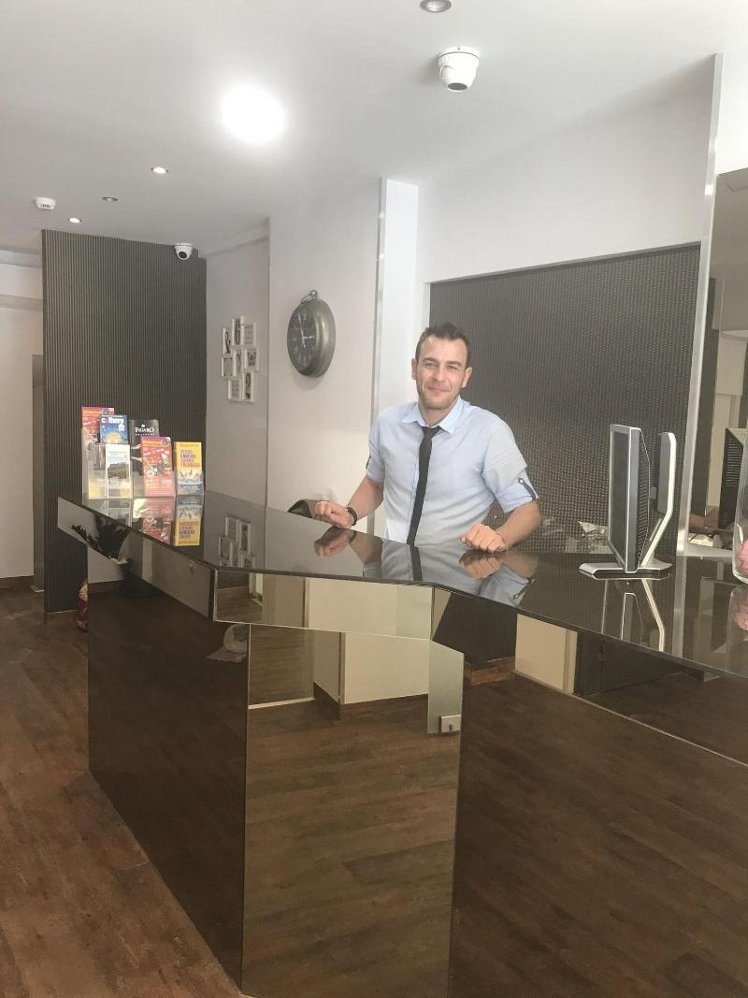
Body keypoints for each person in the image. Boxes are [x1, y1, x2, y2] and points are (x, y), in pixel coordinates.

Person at [314, 322, 540, 552]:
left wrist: (499, 537)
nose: (439, 377)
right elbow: (375, 483)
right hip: (391, 565)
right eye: (430, 364)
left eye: (452, 367)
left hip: (454, 570)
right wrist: (350, 513)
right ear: (415, 368)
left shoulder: (490, 432)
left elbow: (528, 511)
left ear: (465, 376)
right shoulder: (387, 423)